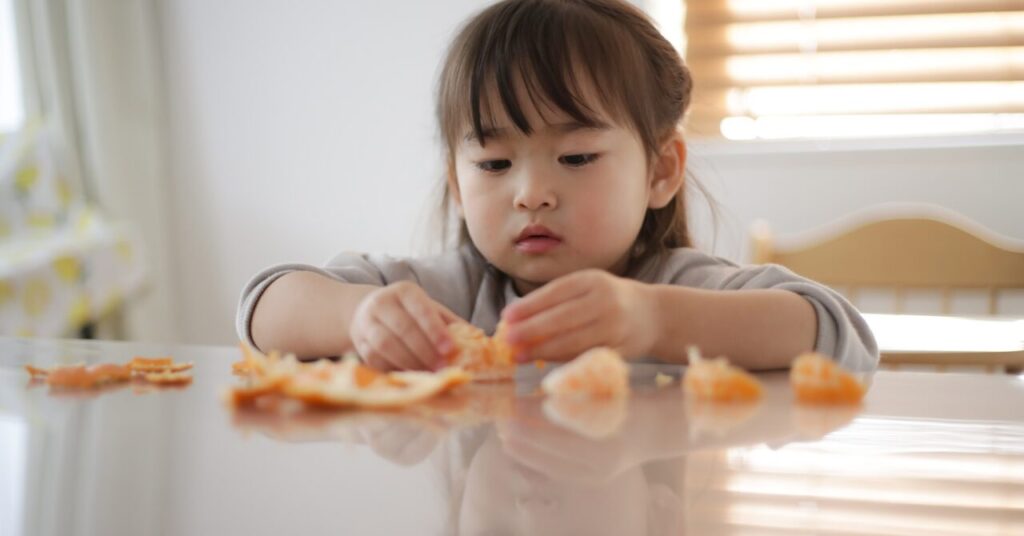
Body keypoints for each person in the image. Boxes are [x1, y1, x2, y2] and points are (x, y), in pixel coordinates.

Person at [236, 0, 878, 372]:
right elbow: (263, 307)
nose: (531, 194)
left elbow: (838, 335)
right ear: (458, 186)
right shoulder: (446, 296)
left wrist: (650, 322)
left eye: (575, 157)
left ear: (660, 171)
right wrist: (358, 317)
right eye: (493, 165)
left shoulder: (674, 290)